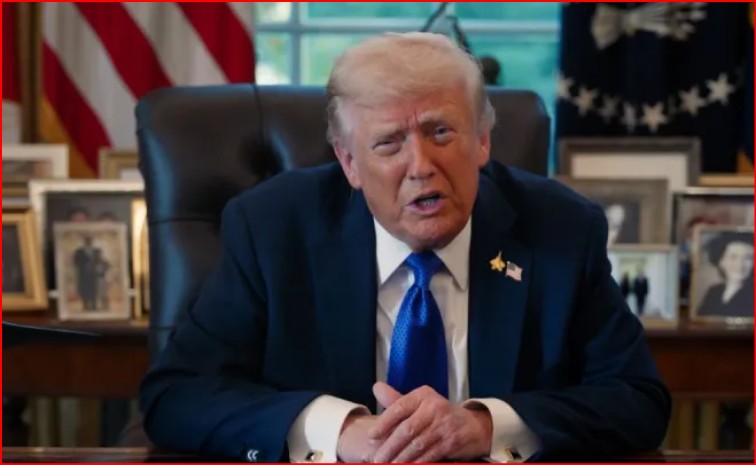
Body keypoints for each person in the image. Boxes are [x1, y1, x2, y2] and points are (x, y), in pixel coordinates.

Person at [140, 33, 669, 463]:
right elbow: (177, 394)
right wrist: (337, 430)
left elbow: (636, 398)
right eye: (389, 143)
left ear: (482, 141)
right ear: (349, 163)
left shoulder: (561, 230)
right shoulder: (273, 229)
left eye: (441, 132)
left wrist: (486, 425)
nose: (421, 166)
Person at [697, 232, 754, 318]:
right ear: (721, 261)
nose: (740, 264)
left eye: (748, 258)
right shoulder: (713, 292)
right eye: (733, 257)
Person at [72, 235, 100, 311]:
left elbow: (99, 260)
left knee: (93, 289)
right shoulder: (79, 251)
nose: (88, 241)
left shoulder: (96, 251)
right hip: (83, 274)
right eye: (87, 240)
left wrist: (94, 266)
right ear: (84, 241)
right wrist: (84, 266)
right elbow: (76, 262)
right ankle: (85, 305)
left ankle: (94, 305)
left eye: (90, 240)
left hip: (93, 274)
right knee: (84, 289)